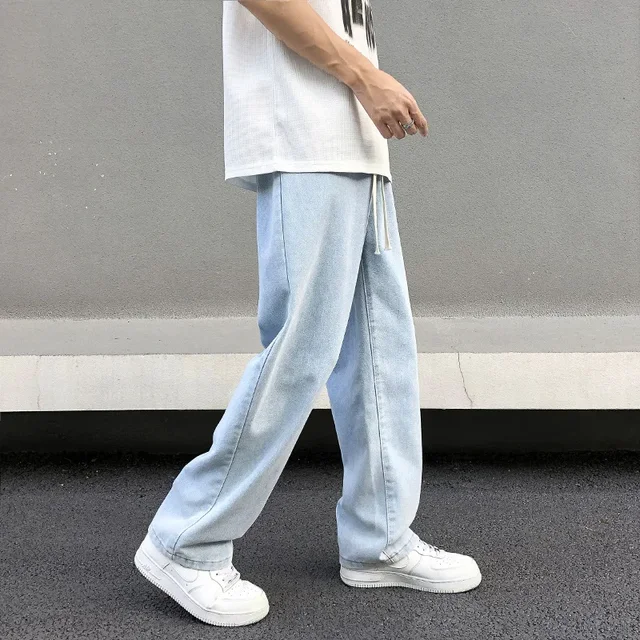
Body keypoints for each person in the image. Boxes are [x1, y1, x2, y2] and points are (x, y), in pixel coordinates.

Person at [134, 0, 481, 627]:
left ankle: (379, 538)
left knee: (380, 349)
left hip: (355, 147)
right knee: (301, 347)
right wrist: (366, 77)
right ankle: (185, 541)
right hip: (304, 137)